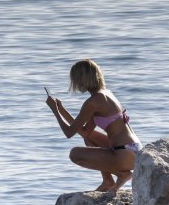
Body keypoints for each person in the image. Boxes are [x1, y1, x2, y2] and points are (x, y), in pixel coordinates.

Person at [45, 59, 143, 192]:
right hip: (134, 149)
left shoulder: (93, 101)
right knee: (89, 137)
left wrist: (55, 111)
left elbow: (68, 133)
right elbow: (85, 132)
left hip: (124, 154)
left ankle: (122, 174)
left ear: (83, 79)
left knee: (74, 154)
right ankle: (107, 181)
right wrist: (62, 109)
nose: (74, 83)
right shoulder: (106, 94)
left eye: (75, 79)